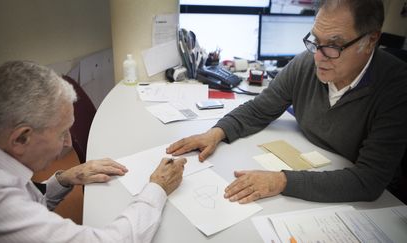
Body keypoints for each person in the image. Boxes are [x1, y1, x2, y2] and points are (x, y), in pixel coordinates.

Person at [167, 0, 407, 204]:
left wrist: (281, 180)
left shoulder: (397, 87)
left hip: (364, 202)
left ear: (371, 40)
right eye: (315, 40)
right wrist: (216, 133)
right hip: (312, 162)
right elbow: (259, 109)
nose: (318, 56)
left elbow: (369, 181)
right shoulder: (305, 63)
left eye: (333, 45)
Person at [0, 60, 186, 243]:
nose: (68, 143)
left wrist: (65, 178)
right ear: (21, 138)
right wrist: (158, 188)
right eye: (61, 133)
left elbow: (29, 198)